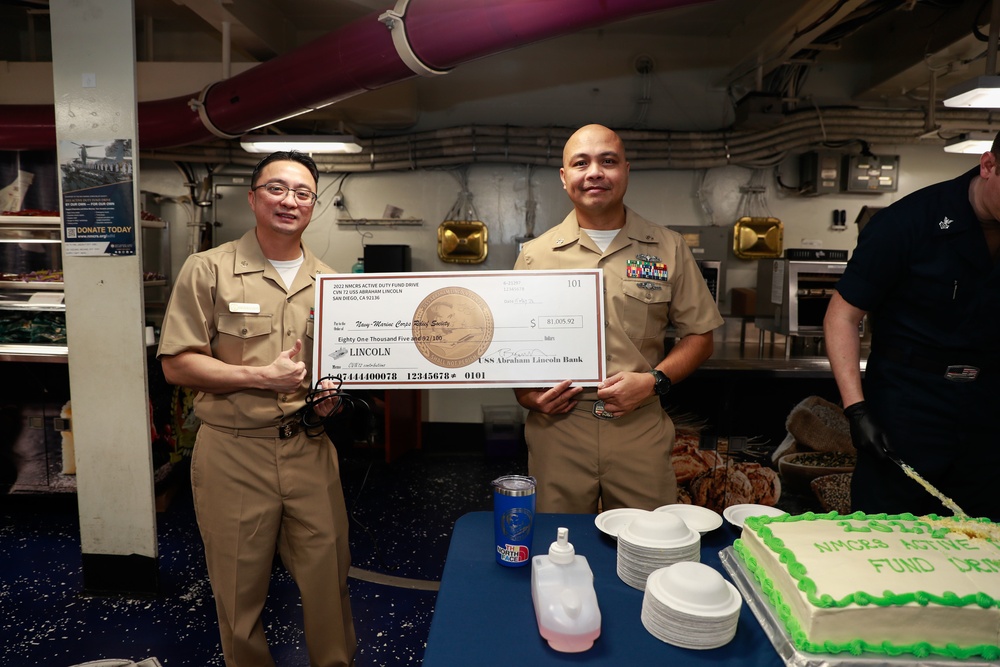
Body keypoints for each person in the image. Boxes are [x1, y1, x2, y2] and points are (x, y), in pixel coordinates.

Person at [157, 151, 356, 667]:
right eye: (277, 189)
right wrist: (257, 377)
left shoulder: (334, 285)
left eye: (303, 193)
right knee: (239, 592)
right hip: (233, 453)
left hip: (309, 449)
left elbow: (335, 372)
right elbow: (177, 365)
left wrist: (331, 400)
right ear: (252, 197)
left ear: (314, 205)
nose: (290, 201)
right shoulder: (209, 270)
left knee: (328, 582)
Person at [512, 124, 724, 513]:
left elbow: (700, 337)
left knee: (647, 542)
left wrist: (654, 381)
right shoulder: (534, 257)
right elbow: (513, 343)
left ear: (625, 170)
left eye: (607, 161)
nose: (595, 172)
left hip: (638, 425)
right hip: (560, 427)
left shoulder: (668, 247)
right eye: (581, 163)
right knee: (557, 545)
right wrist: (525, 395)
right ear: (565, 178)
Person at [824, 136, 1000, 521]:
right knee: (887, 539)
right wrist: (856, 410)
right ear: (988, 166)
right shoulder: (909, 221)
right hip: (907, 408)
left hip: (988, 414)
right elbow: (843, 316)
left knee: (983, 544)